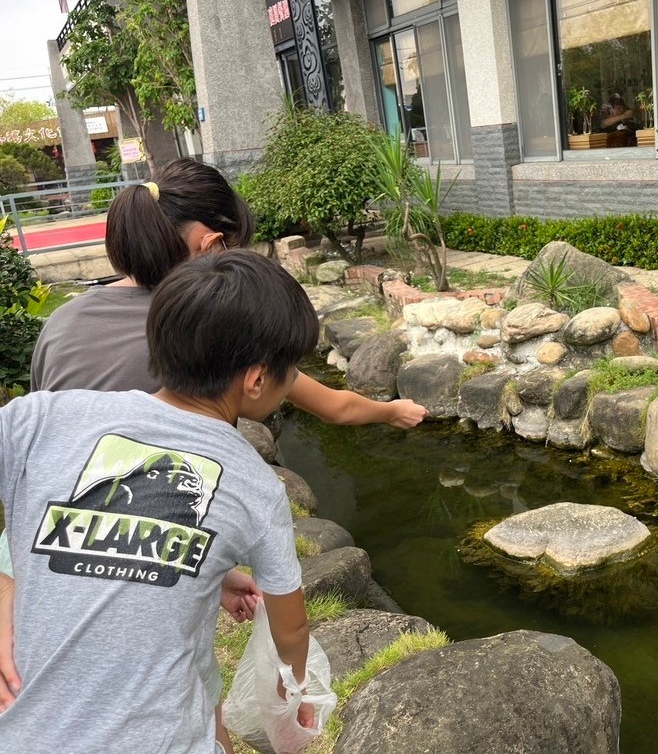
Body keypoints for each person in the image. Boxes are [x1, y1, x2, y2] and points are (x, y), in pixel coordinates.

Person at [0, 158, 427, 748]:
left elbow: (102, 490)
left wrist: (7, 585)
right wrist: (294, 691)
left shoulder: (44, 401)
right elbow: (291, 623)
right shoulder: (250, 476)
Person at [0, 250, 317, 752]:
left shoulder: (39, 417)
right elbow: (292, 624)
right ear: (257, 379)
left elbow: (133, 535)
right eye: (293, 368)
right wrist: (291, 685)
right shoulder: (256, 486)